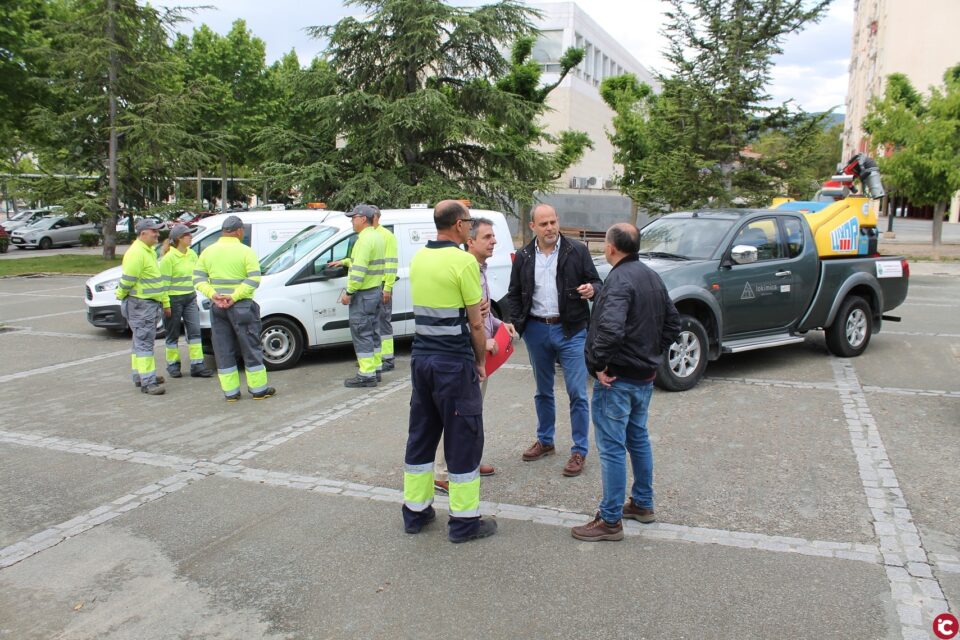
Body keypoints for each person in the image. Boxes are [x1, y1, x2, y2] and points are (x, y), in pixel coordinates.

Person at [571, 223, 680, 542]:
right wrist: (650, 354)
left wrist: (597, 366)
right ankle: (643, 504)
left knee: (613, 448)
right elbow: (673, 323)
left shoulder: (618, 280)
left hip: (617, 379)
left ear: (611, 248)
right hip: (643, 377)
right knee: (637, 438)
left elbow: (611, 330)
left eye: (605, 242)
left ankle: (610, 518)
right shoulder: (651, 276)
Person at [402, 199, 496, 543]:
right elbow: (475, 324)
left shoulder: (419, 257)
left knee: (422, 436)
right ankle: (465, 523)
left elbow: (443, 307)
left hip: (422, 360)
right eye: (469, 222)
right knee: (463, 439)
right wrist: (481, 362)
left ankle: (415, 513)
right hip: (453, 365)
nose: (470, 227)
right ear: (458, 225)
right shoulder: (463, 261)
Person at [506, 203, 602, 477]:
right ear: (532, 226)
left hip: (570, 329)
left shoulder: (576, 250)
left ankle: (579, 450)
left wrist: (591, 289)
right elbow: (514, 293)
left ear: (558, 222)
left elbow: (597, 282)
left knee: (577, 392)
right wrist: (517, 323)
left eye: (553, 222)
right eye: (544, 224)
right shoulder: (524, 255)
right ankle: (546, 440)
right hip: (537, 329)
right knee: (543, 391)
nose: (550, 228)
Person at [433, 217, 516, 493]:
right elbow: (469, 317)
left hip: (480, 352)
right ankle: (442, 473)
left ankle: (469, 459)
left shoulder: (480, 268)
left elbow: (484, 312)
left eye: (493, 237)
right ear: (470, 241)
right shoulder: (466, 269)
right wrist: (486, 340)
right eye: (487, 237)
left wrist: (500, 325)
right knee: (458, 414)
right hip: (467, 354)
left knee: (474, 411)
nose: (493, 241)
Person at [193, 215, 275, 402]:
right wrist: (235, 296)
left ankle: (231, 393)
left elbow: (197, 279)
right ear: (239, 231)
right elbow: (254, 279)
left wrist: (213, 294)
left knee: (223, 349)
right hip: (242, 307)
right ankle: (259, 390)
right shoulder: (246, 251)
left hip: (218, 306)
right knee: (250, 347)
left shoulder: (208, 252)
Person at [117, 218, 170, 396]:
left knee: (139, 342)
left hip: (146, 303)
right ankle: (148, 382)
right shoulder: (137, 253)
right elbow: (128, 280)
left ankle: (140, 376)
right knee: (145, 343)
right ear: (143, 233)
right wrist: (120, 295)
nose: (157, 234)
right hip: (141, 303)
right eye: (154, 231)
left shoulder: (147, 251)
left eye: (157, 231)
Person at [336, 204, 386, 388]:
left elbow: (359, 271)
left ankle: (366, 375)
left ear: (363, 219)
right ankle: (376, 368)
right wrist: (344, 261)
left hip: (363, 294)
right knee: (373, 332)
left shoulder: (364, 240)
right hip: (374, 291)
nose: (351, 221)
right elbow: (363, 263)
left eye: (353, 217)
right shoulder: (377, 236)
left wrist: (349, 293)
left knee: (361, 332)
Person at [159, 224, 212, 379]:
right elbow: (164, 284)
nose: (191, 237)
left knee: (195, 332)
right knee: (172, 334)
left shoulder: (191, 254)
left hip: (190, 298)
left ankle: (198, 365)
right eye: (188, 235)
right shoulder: (168, 258)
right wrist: (166, 304)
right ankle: (173, 365)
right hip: (173, 300)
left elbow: (197, 275)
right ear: (179, 239)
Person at [372, 208, 398, 373]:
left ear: (374, 217)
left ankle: (387, 359)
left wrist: (387, 287)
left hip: (382, 284)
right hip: (373, 284)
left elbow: (391, 264)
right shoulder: (369, 235)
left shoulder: (386, 236)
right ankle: (377, 357)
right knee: (374, 322)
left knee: (383, 322)